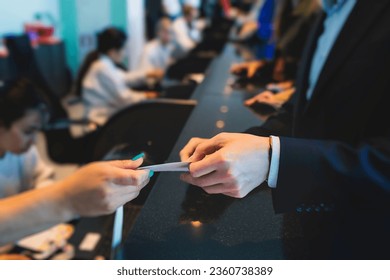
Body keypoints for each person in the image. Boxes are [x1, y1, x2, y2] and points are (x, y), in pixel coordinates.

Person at [180, 0, 390, 259]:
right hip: (312, 232)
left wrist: (275, 158)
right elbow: (308, 104)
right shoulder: (332, 10)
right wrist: (250, 142)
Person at [0, 79, 152, 245]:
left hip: (32, 234)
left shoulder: (25, 152)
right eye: (28, 131)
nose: (33, 142)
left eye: (36, 132)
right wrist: (67, 198)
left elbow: (43, 176)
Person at [75, 27, 158, 125]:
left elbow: (124, 77)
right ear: (112, 51)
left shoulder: (103, 63)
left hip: (106, 114)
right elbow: (124, 98)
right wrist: (146, 96)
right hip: (99, 120)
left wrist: (147, 74)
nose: (125, 53)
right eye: (123, 49)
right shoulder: (103, 68)